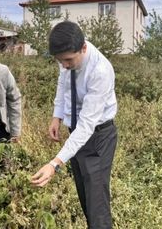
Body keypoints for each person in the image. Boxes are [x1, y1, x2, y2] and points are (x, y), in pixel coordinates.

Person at [31, 21, 118, 229]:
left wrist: (54, 164)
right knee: (85, 198)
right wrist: (57, 116)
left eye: (68, 60)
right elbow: (63, 83)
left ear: (84, 48)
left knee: (97, 205)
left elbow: (87, 125)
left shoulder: (100, 71)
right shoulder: (67, 55)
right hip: (76, 134)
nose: (64, 65)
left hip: (97, 138)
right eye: (60, 61)